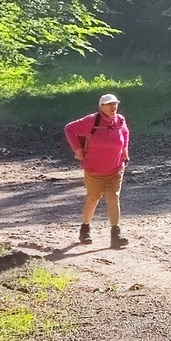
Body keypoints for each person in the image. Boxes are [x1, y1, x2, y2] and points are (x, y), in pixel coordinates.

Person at [65, 93, 131, 248]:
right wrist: (78, 149)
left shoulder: (120, 120)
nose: (114, 106)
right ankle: (85, 228)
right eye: (110, 104)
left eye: (115, 103)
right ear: (101, 107)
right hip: (94, 170)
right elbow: (69, 129)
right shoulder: (92, 120)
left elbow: (125, 132)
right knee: (93, 199)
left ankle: (116, 235)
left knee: (113, 198)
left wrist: (124, 148)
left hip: (116, 168)